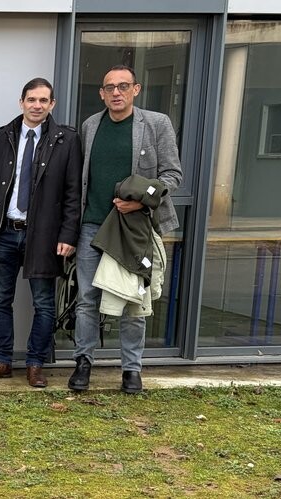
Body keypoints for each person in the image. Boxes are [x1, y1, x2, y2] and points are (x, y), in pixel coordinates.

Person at [69, 65, 182, 394]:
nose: (115, 92)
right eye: (109, 88)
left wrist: (142, 202)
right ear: (101, 93)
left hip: (135, 228)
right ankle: (82, 363)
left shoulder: (157, 124)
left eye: (122, 86)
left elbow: (172, 175)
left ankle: (131, 370)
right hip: (92, 225)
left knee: (134, 301)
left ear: (136, 89)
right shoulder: (91, 126)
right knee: (87, 298)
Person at [0, 78, 82, 388]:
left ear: (52, 105)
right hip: (5, 232)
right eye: (31, 99)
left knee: (44, 303)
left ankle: (35, 363)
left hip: (44, 236)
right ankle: (2, 360)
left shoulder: (66, 140)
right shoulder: (3, 136)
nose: (37, 105)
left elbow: (73, 192)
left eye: (43, 100)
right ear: (21, 102)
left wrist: (68, 235)